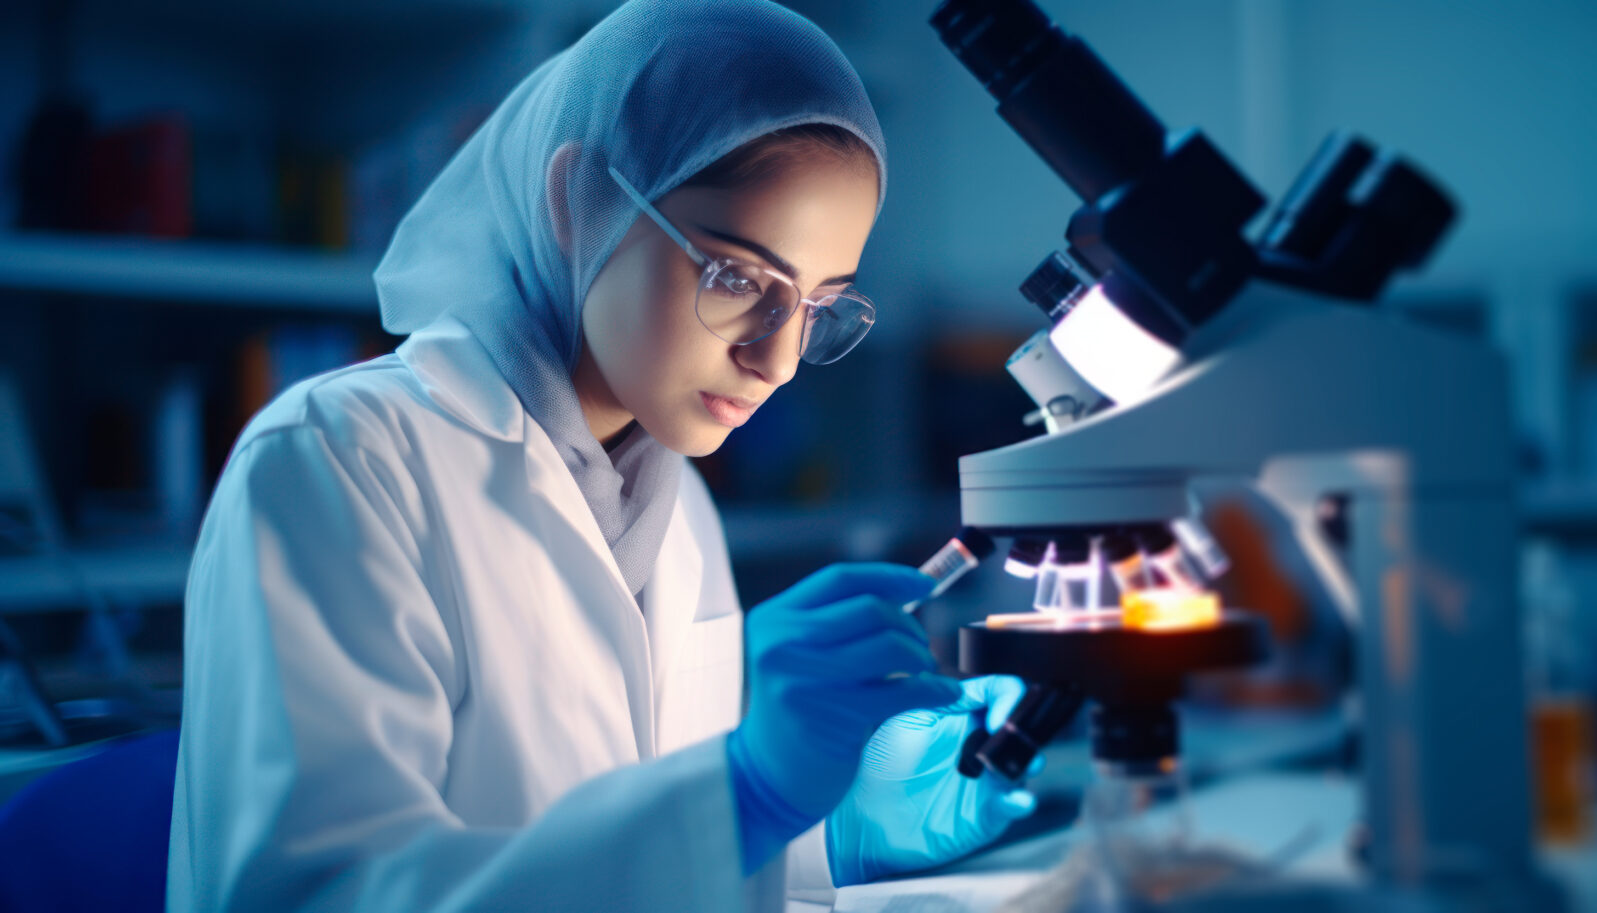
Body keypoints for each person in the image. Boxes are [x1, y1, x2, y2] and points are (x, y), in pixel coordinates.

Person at [167, 2, 1041, 910]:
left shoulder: (672, 502)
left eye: (819, 305)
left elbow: (653, 839)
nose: (778, 359)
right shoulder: (338, 462)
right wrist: (744, 795)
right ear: (575, 200)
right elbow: (320, 893)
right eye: (738, 277)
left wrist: (832, 822)